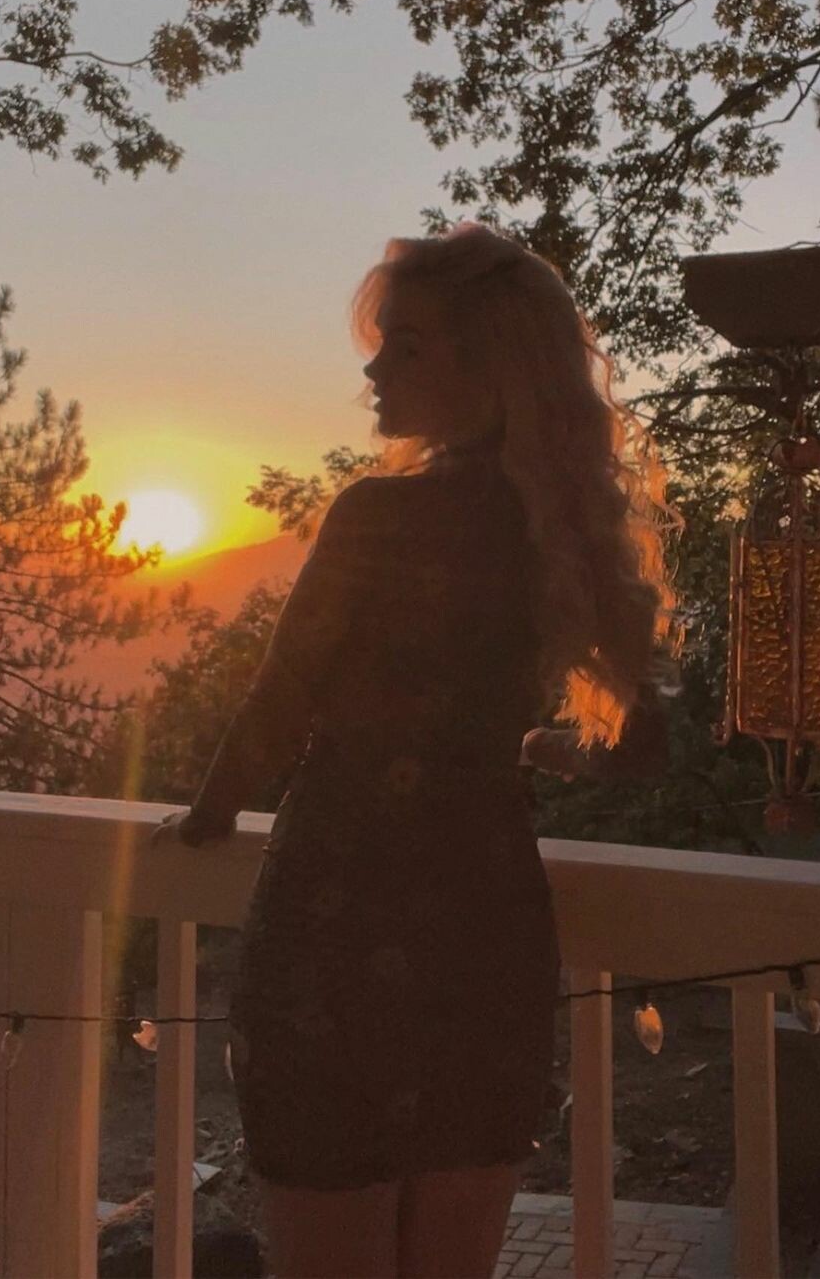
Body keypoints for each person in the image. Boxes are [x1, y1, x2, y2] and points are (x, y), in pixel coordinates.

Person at [151, 222, 679, 1278]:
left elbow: (280, 702)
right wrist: (540, 748)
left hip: (335, 925)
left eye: (407, 346)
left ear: (487, 367)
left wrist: (203, 818)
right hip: (486, 937)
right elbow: (643, 744)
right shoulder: (557, 526)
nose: (374, 369)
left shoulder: (378, 516)